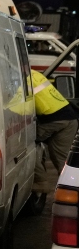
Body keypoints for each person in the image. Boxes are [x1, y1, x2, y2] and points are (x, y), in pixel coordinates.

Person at [30, 70, 78, 211]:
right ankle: (72, 196)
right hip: (69, 118)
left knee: (25, 145)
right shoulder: (34, 73)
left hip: (54, 120)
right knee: (64, 162)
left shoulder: (17, 78)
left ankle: (40, 182)